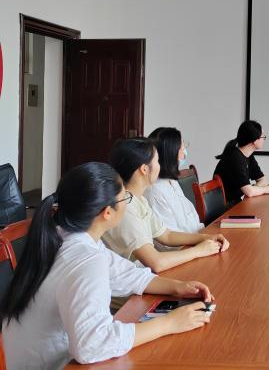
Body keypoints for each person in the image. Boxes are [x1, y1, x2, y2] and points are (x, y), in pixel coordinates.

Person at [0, 162, 215, 369]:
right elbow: (92, 345)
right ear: (107, 212)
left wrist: (178, 287)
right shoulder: (85, 258)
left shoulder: (65, 235)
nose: (127, 203)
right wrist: (169, 323)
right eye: (125, 198)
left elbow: (123, 274)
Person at [103, 138, 228, 274]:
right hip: (132, 282)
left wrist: (205, 238)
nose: (160, 165)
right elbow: (156, 263)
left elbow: (167, 235)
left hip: (143, 276)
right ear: (144, 169)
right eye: (157, 161)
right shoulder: (125, 206)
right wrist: (199, 251)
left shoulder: (139, 200)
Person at [146, 127, 203, 236]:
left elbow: (191, 220)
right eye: (182, 147)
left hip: (197, 238)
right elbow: (169, 239)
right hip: (187, 245)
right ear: (171, 154)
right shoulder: (154, 191)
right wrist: (201, 240)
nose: (185, 152)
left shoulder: (171, 181)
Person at [213, 120, 269, 207]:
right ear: (254, 140)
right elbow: (249, 192)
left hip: (236, 202)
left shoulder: (248, 155)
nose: (264, 139)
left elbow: (262, 180)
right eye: (263, 137)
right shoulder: (235, 157)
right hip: (226, 206)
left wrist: (254, 189)